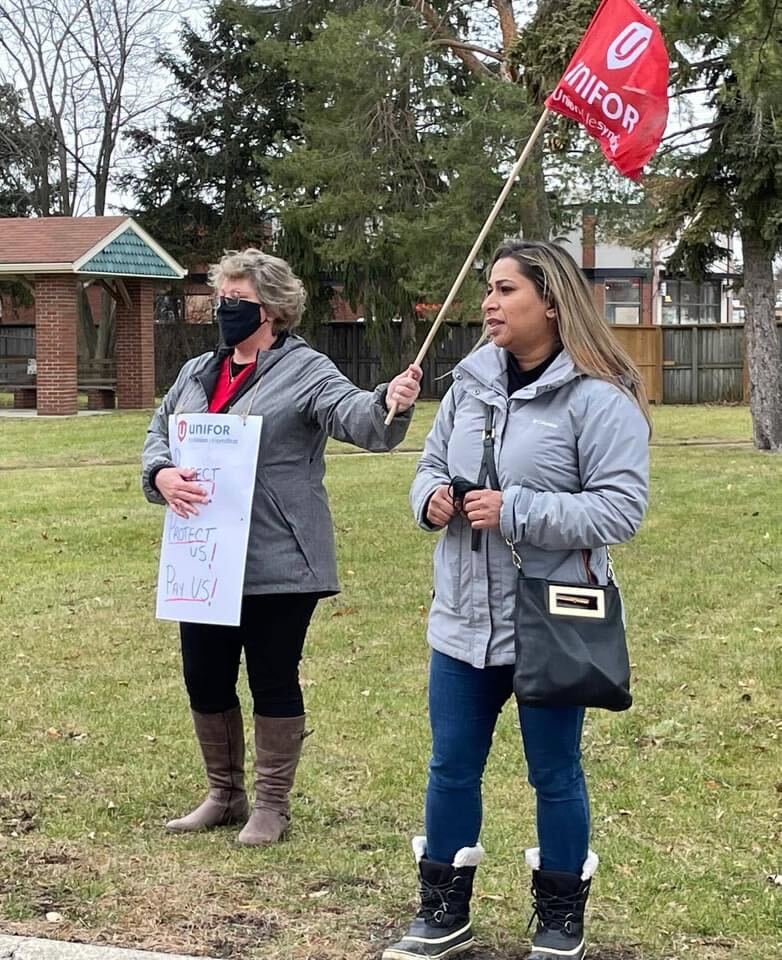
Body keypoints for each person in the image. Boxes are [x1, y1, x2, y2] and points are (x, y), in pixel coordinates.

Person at [384, 239, 650, 960]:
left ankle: (560, 916)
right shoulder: (468, 387)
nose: (489, 304)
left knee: (554, 770)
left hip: (554, 620)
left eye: (505, 290)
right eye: (489, 290)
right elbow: (430, 462)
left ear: (552, 302)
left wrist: (518, 510)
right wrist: (430, 498)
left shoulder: (601, 397)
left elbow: (621, 510)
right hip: (463, 618)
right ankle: (443, 911)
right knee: (450, 764)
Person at [141, 248, 421, 845]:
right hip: (204, 557)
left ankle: (272, 803)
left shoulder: (307, 369)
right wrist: (161, 473)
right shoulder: (197, 371)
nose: (224, 309)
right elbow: (160, 429)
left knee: (271, 676)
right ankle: (224, 793)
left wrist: (390, 401)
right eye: (221, 298)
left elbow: (359, 420)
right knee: (205, 677)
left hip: (282, 560)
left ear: (270, 309)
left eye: (236, 301)